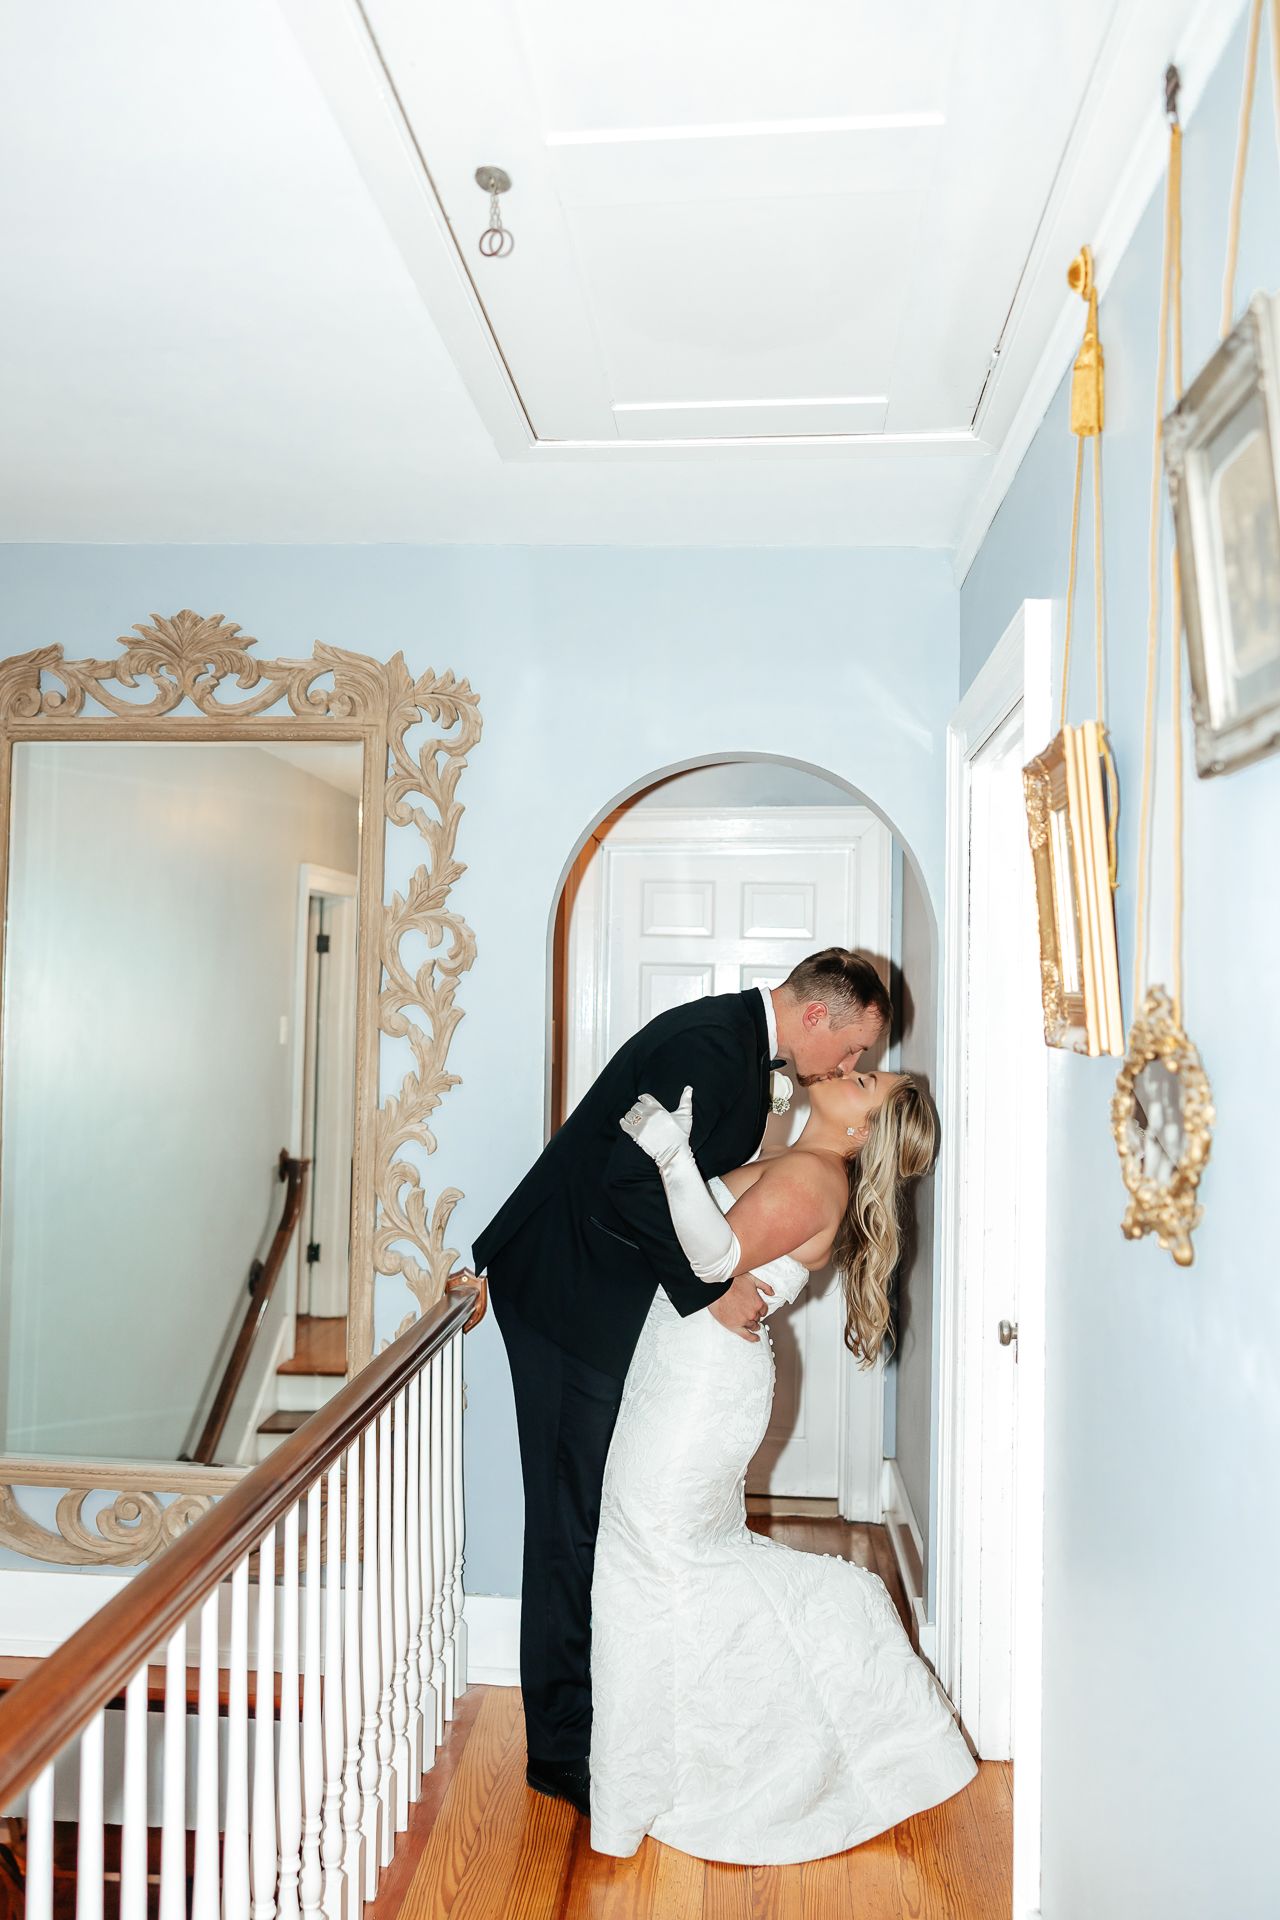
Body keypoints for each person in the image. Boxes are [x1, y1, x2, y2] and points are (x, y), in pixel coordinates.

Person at [470, 950, 890, 1816]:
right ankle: (561, 1750)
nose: (849, 1064)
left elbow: (661, 1178)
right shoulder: (710, 1045)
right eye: (853, 1049)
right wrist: (710, 1289)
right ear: (817, 1016)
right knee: (569, 1521)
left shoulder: (738, 1046)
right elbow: (625, 1173)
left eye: (860, 1065)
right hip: (569, 1295)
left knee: (601, 1516)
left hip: (599, 1295)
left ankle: (612, 1714)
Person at [588, 1066, 977, 1863]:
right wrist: (679, 1163)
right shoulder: (798, 1160)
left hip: (699, 1388)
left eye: (867, 1082)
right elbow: (701, 1253)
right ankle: (677, 1766)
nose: (854, 1069)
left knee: (651, 1563)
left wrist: (673, 1159)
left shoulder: (815, 1177)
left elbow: (712, 1260)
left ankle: (680, 1776)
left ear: (863, 1131)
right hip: (684, 1369)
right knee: (658, 1564)